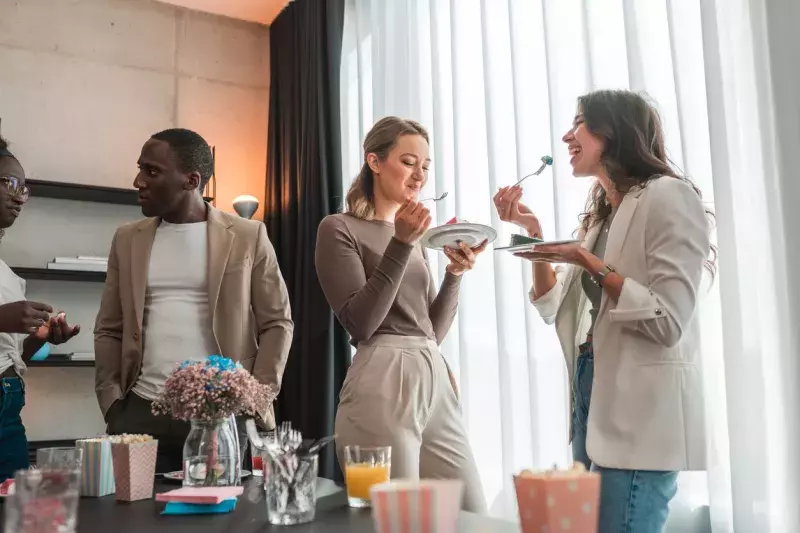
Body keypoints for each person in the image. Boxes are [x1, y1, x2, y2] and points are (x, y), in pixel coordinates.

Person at [494, 90, 714, 532]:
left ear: (612, 132)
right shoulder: (603, 216)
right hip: (591, 389)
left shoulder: (669, 195)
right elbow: (554, 307)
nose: (565, 135)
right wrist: (534, 234)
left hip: (640, 410)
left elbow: (669, 321)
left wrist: (589, 263)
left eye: (579, 122)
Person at [94, 128, 293, 473]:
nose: (138, 181)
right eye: (140, 168)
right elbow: (110, 327)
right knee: (132, 521)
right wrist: (112, 401)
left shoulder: (247, 235)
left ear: (191, 180)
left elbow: (277, 322)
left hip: (222, 414)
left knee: (220, 522)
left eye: (152, 171)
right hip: (141, 409)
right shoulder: (127, 239)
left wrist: (256, 396)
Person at [316, 117, 488, 513]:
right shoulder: (339, 228)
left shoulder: (412, 236)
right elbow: (361, 323)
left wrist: (454, 275)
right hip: (381, 373)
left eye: (426, 166)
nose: (420, 175)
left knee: (470, 512)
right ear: (374, 162)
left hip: (432, 372)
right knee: (398, 517)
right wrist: (401, 244)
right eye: (409, 162)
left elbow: (431, 330)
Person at [0, 135, 81, 481]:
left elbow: (11, 356)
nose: (20, 197)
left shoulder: (8, 276)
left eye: (25, 188)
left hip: (9, 410)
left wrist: (39, 338)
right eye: (10, 183)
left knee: (14, 509)